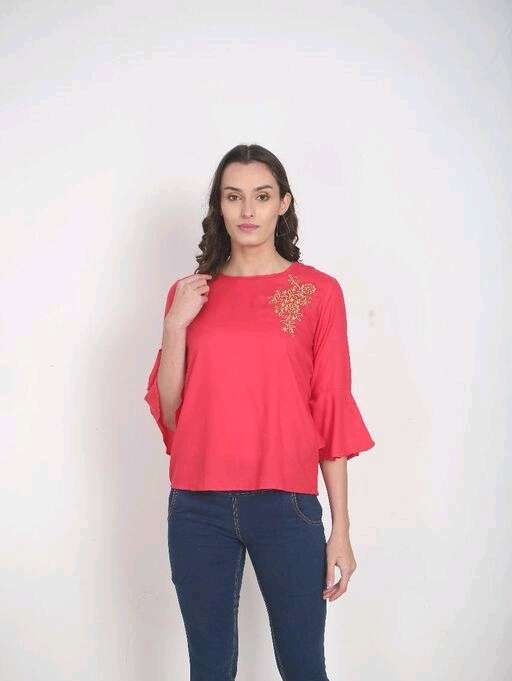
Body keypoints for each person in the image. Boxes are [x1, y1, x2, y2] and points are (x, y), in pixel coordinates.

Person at [144, 143, 375, 681]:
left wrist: (341, 529)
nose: (247, 210)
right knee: (209, 669)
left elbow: (330, 409)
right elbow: (173, 412)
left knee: (303, 667)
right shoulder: (188, 294)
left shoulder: (317, 292)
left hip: (287, 507)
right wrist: (174, 326)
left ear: (283, 204)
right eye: (233, 197)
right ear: (219, 207)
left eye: (262, 196)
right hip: (196, 507)